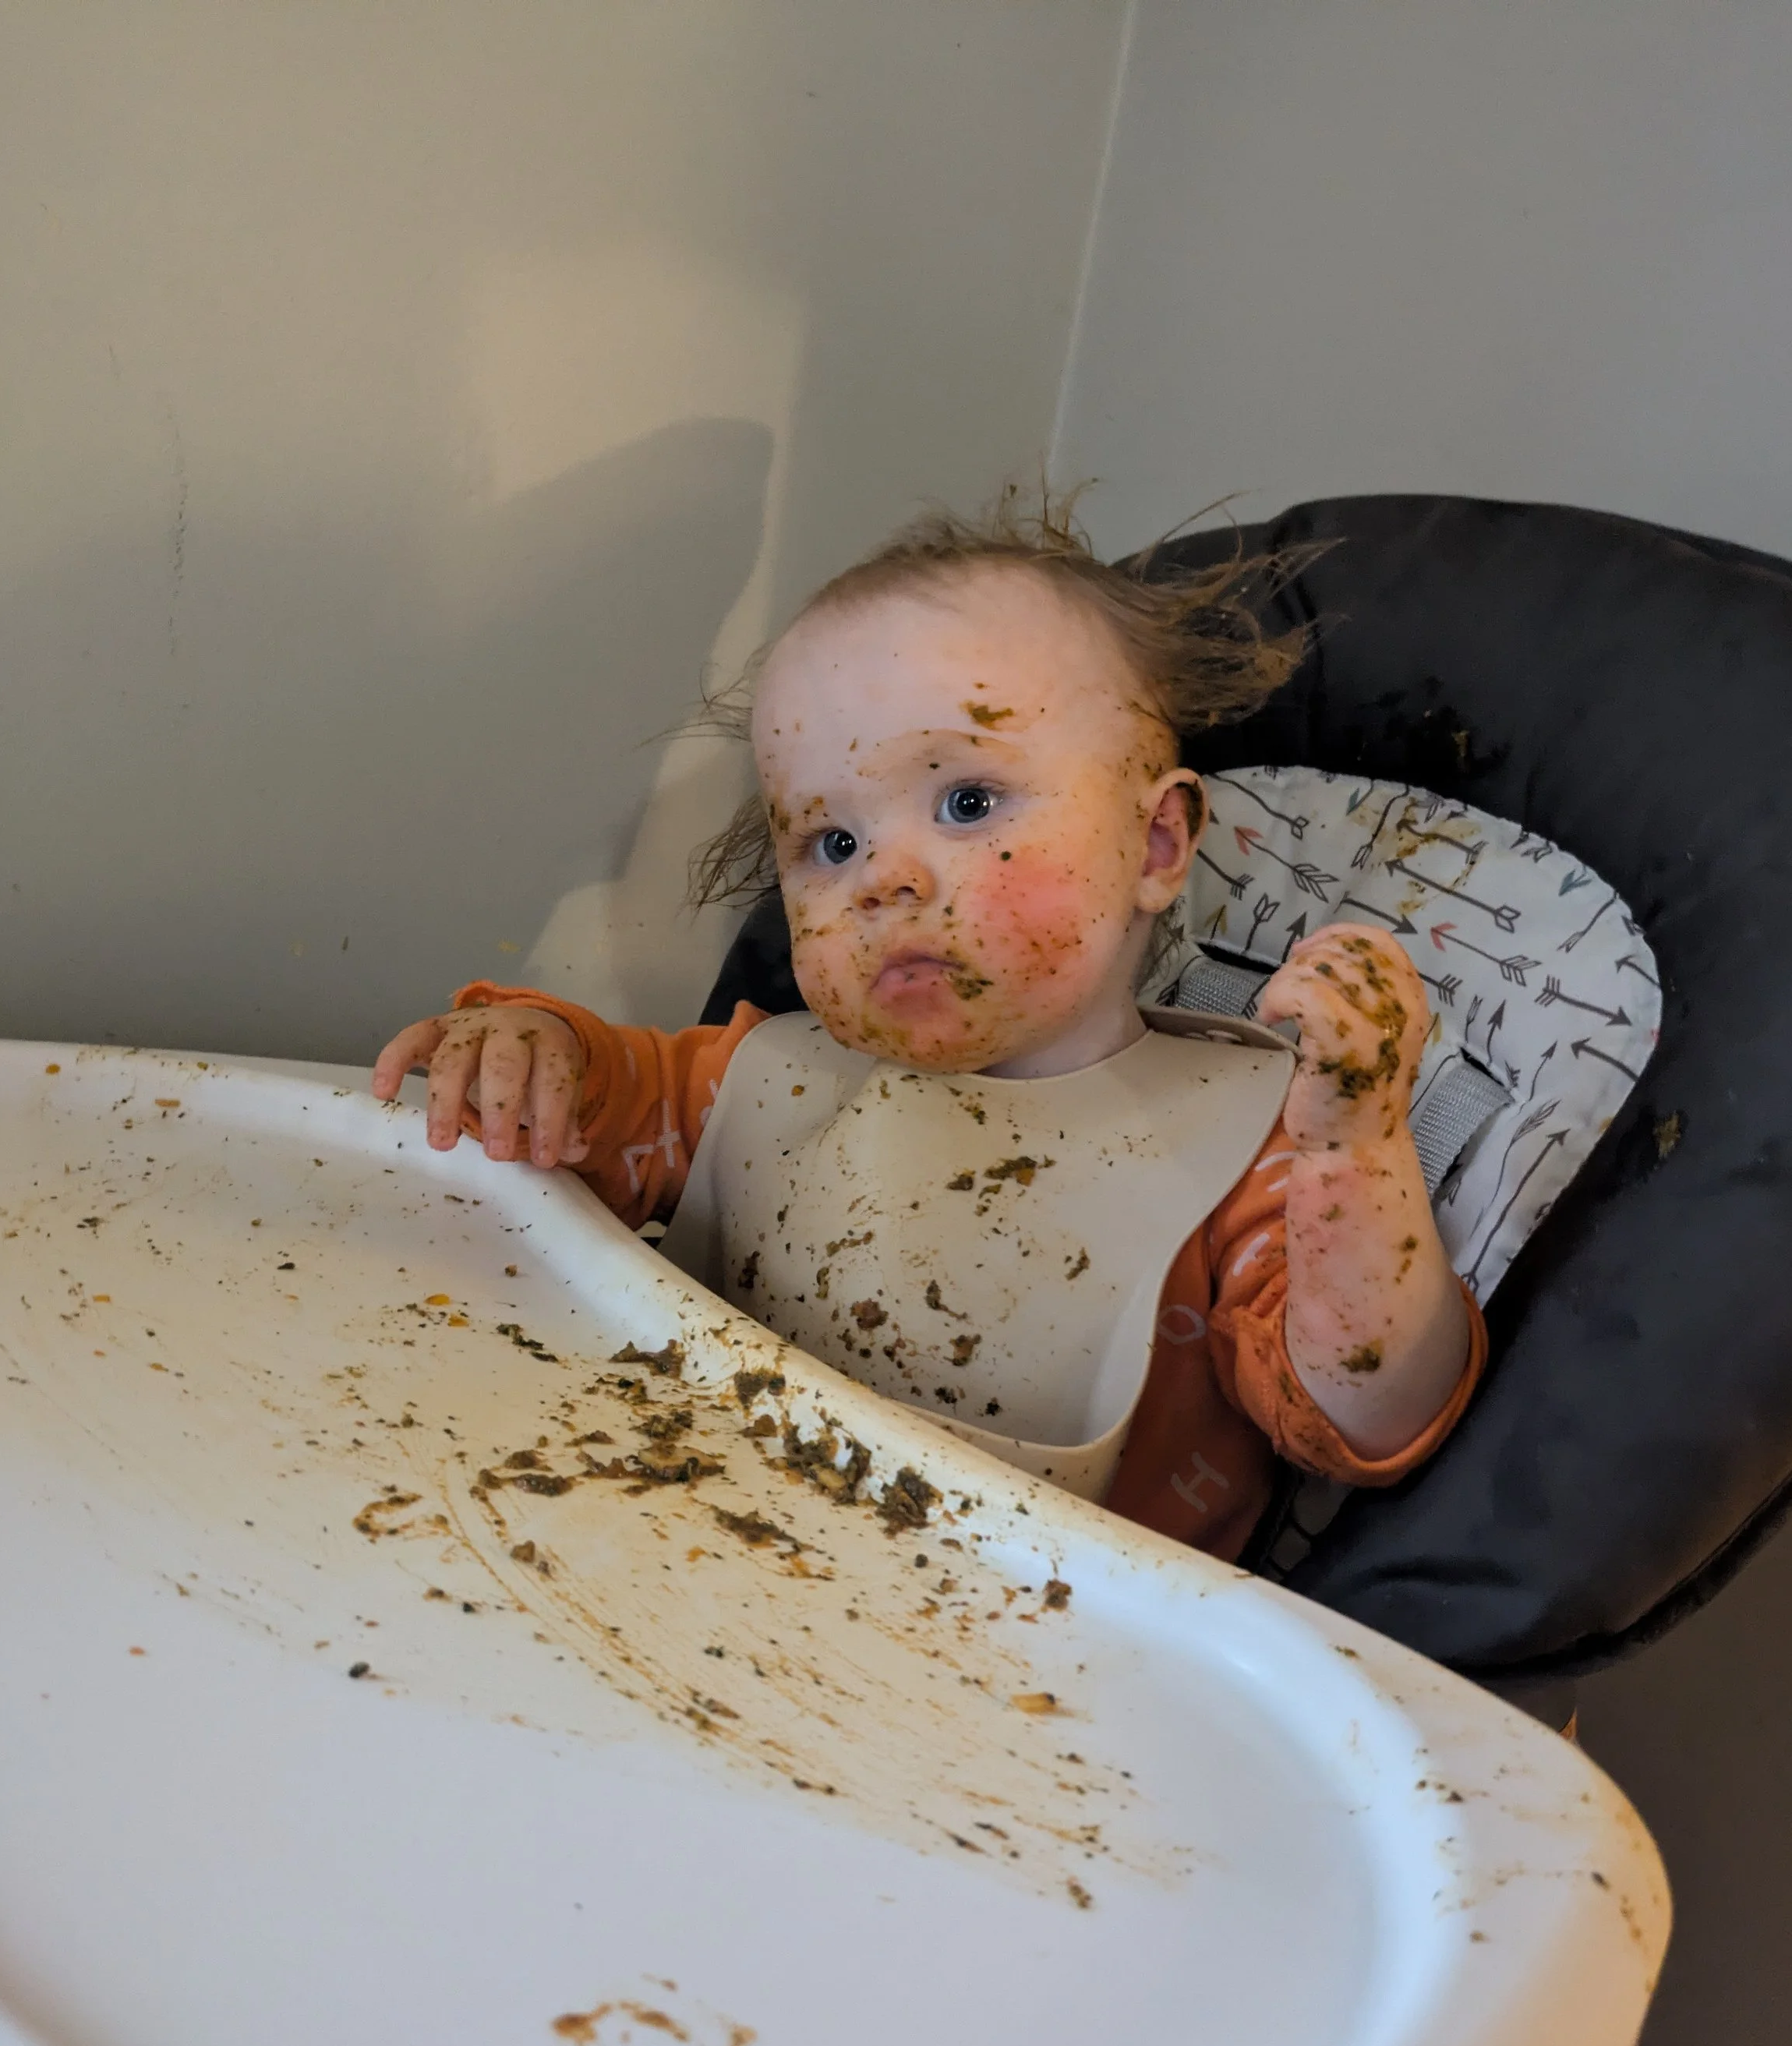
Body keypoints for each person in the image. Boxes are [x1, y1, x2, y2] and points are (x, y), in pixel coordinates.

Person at [373, 497, 1483, 1560]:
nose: (883, 882)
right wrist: (530, 1051)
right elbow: (567, 1131)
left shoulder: (1240, 1156)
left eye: (966, 803)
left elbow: (1368, 1419)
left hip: (1026, 1683)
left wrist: (1353, 1145)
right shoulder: (747, 1085)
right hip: (690, 1569)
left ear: (1153, 849)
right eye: (831, 844)